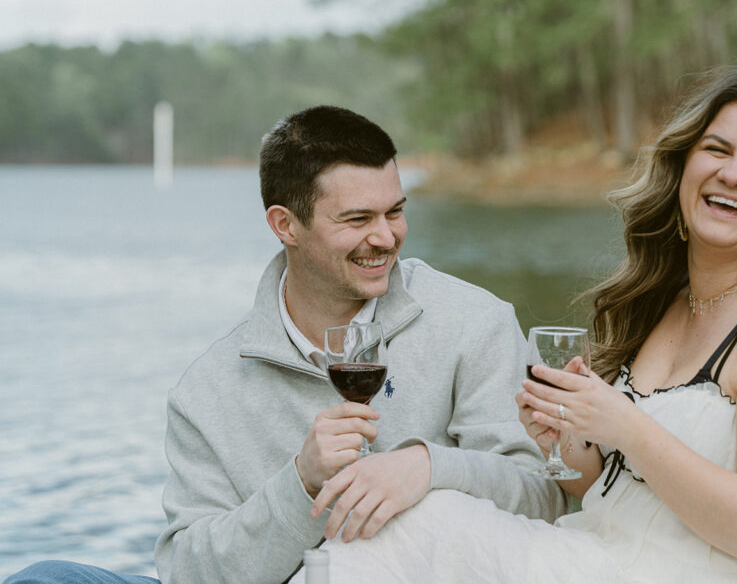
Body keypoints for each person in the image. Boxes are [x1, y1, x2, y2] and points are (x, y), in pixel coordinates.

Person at [296, 63, 737, 583]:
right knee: (396, 532)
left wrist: (623, 424)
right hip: (605, 557)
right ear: (686, 165)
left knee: (421, 528)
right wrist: (566, 440)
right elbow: (613, 494)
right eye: (717, 150)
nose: (734, 174)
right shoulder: (665, 303)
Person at [6, 106, 567, 584]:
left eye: (395, 212)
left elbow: (550, 499)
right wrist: (302, 483)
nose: (385, 236)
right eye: (356, 219)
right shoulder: (209, 388)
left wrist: (428, 466)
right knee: (46, 579)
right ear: (285, 224)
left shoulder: (474, 322)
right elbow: (187, 569)